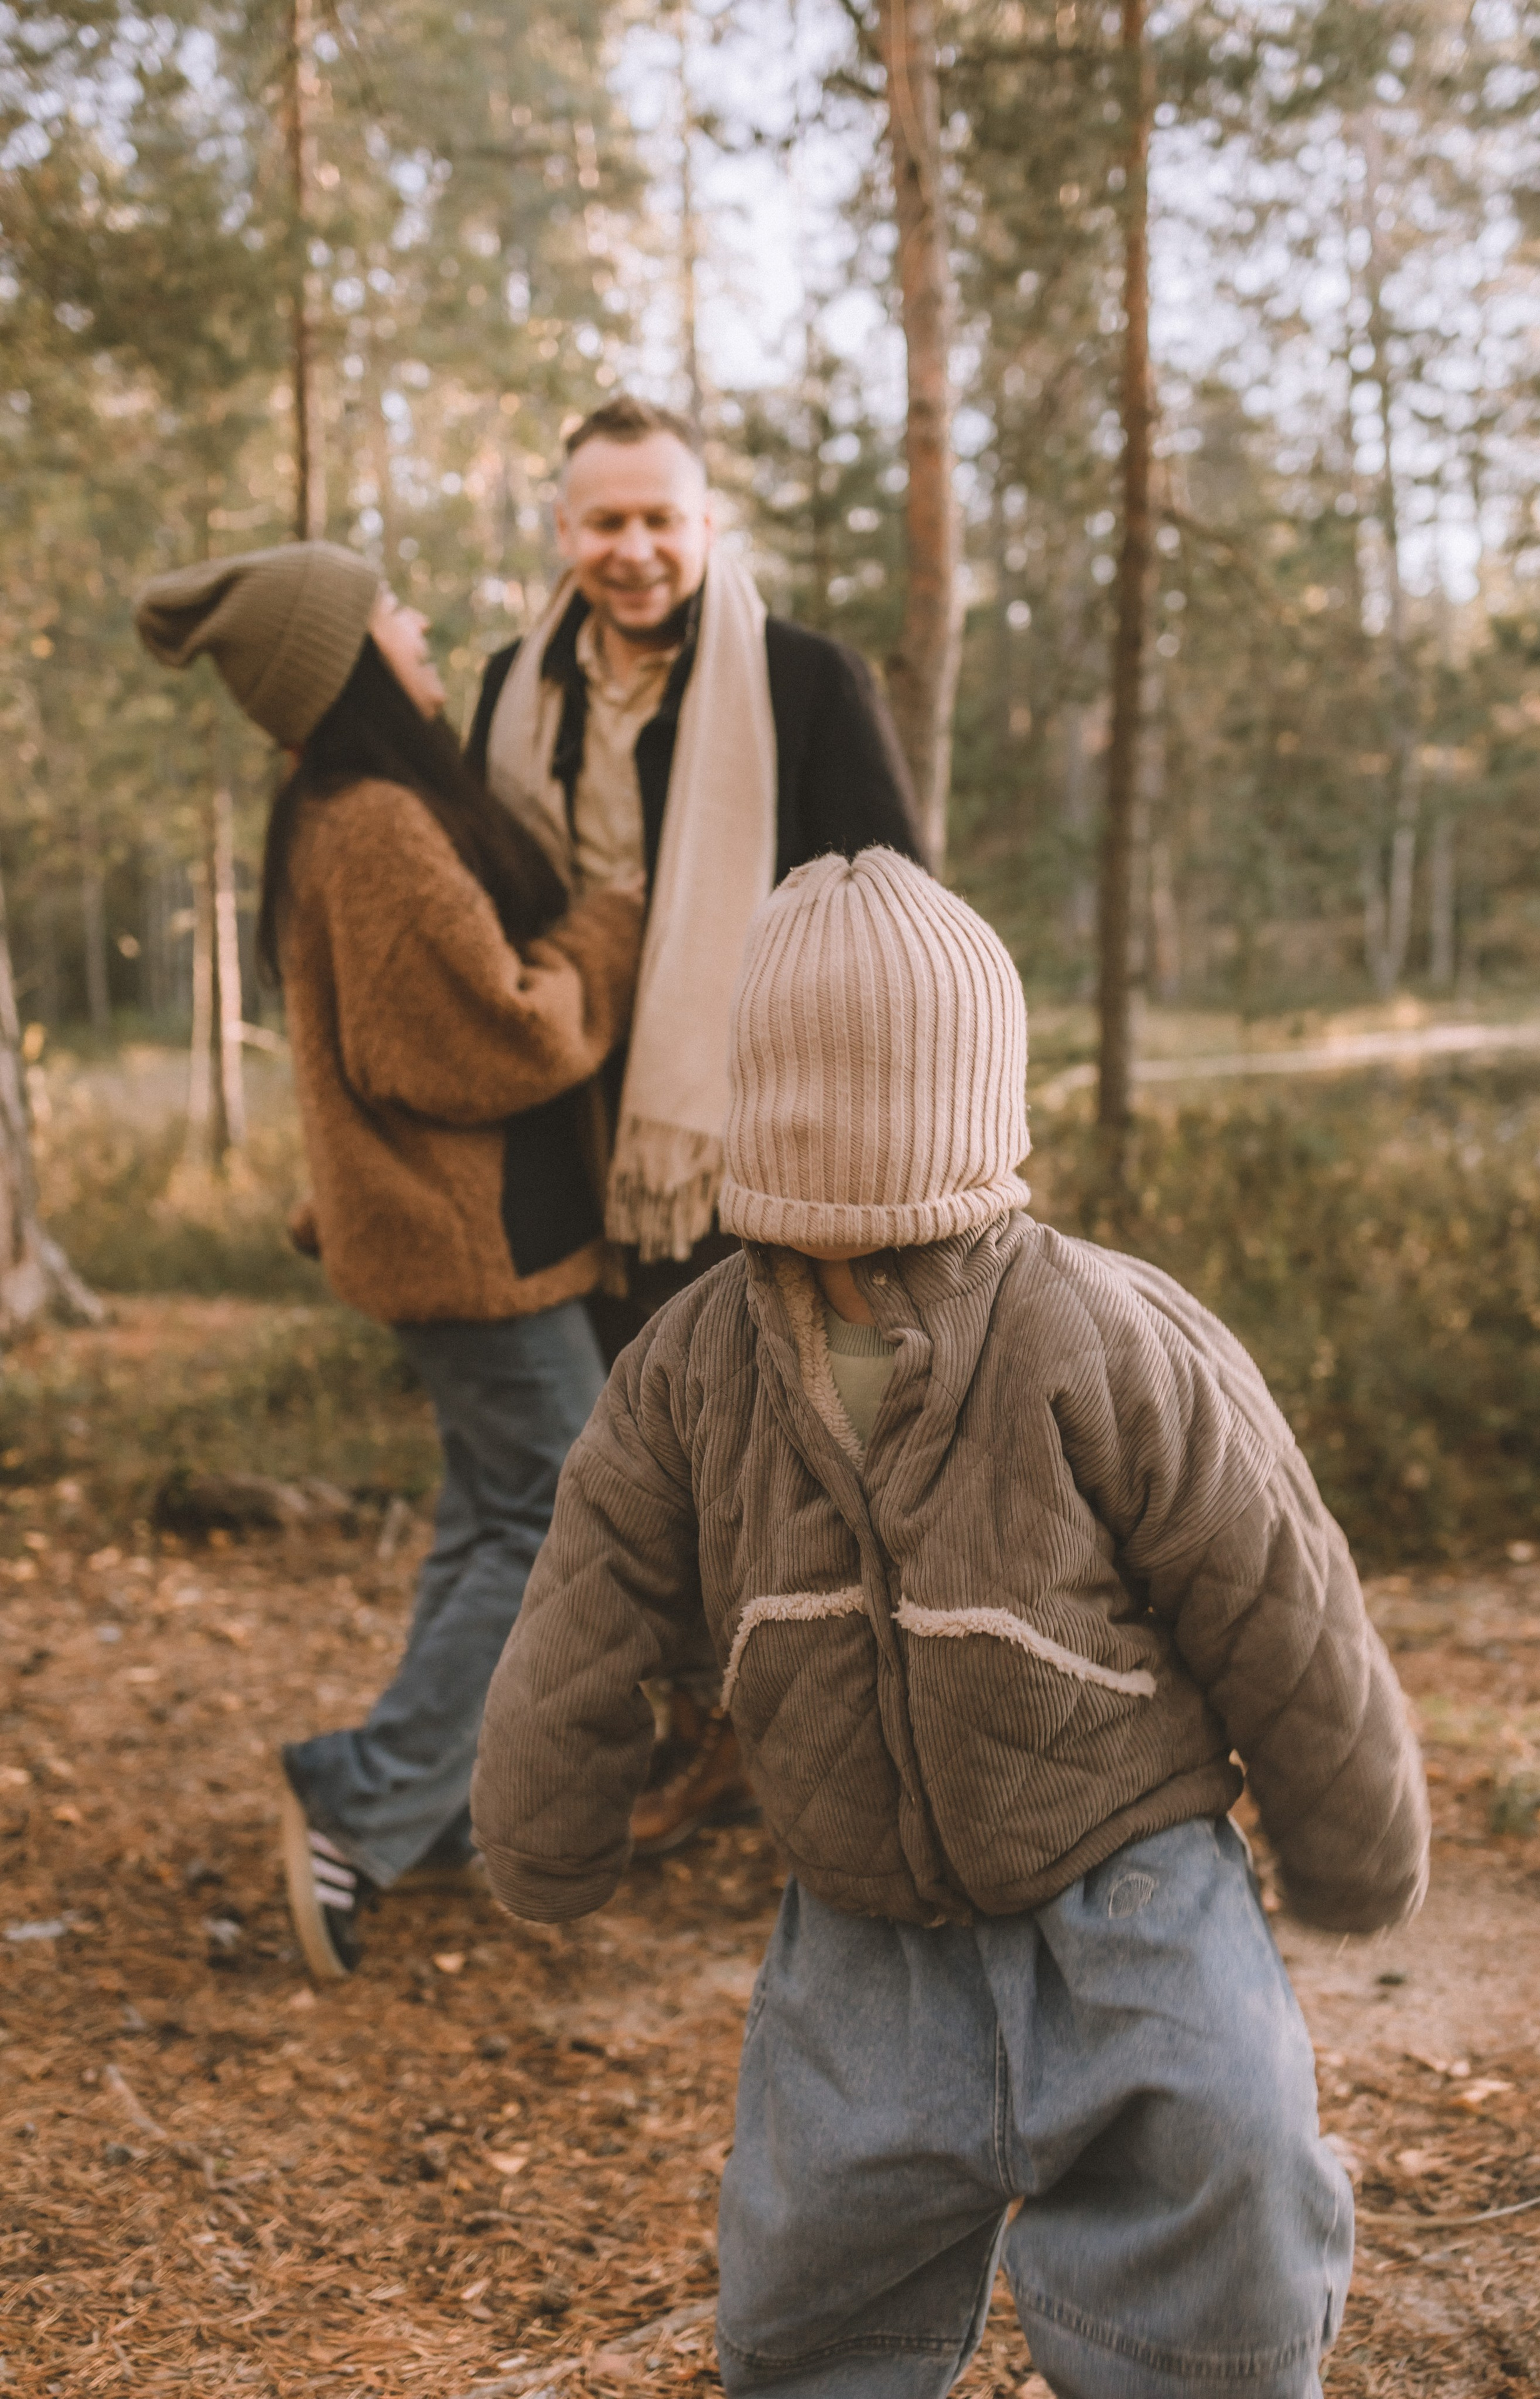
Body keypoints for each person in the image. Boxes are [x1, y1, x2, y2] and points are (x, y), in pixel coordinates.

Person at [471, 847, 1431, 2399]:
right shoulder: (694, 1368)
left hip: (1129, 1886)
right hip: (857, 1923)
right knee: (814, 2257)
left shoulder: (1103, 1333)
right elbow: (588, 1599)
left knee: (1224, 2167)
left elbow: (1276, 1590)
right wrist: (546, 1817)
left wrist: (1352, 1836)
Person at [135, 540, 642, 1980]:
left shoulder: (356, 809)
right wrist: (603, 931)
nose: (419, 624)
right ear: (347, 656)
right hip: (461, 1244)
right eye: (391, 610)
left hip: (470, 1235)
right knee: (558, 1513)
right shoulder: (369, 822)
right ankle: (359, 1802)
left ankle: (410, 1815)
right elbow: (477, 1034)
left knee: (496, 1516)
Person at [467, 393, 926, 1850]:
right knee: (630, 1455)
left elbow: (892, 902)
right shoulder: (504, 691)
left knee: (787, 1445)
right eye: (605, 521)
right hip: (568, 1140)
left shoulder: (801, 681)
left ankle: (827, 1757)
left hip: (746, 1137)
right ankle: (692, 1733)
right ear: (562, 532)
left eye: (661, 518)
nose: (635, 549)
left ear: (706, 524)